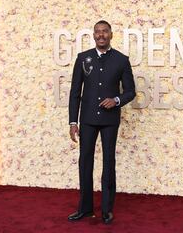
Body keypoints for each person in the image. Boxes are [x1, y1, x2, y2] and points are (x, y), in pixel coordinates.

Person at [67, 20, 136, 224]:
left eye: (105, 31)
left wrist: (116, 100)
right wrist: (73, 122)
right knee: (85, 162)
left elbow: (131, 92)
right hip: (86, 119)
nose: (101, 35)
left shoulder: (122, 60)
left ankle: (107, 209)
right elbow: (74, 93)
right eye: (97, 32)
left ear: (111, 35)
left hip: (109, 120)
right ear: (94, 35)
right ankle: (85, 208)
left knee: (108, 163)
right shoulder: (82, 58)